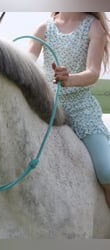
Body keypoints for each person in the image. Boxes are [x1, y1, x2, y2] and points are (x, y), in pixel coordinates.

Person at [28, 12, 110, 208]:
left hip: (82, 108)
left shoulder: (94, 27)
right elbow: (26, 65)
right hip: (48, 107)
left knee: (106, 170)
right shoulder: (43, 28)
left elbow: (93, 72)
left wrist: (69, 79)